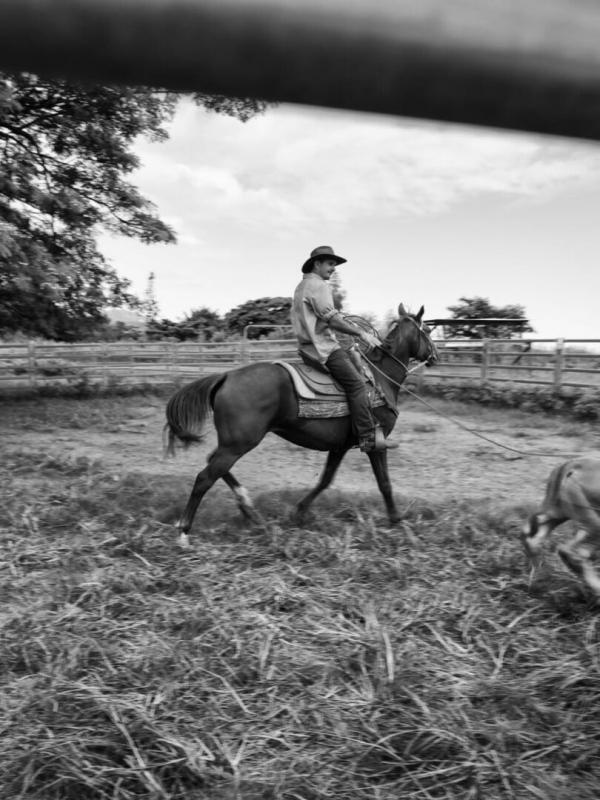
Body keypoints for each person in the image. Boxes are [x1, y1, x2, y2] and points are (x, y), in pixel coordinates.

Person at [291, 245, 397, 453]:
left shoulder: (301, 286)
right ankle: (367, 437)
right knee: (357, 384)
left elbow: (321, 318)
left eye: (335, 265)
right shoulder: (319, 285)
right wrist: (361, 333)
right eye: (330, 263)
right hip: (323, 349)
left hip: (306, 349)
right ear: (317, 263)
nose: (333, 268)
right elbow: (331, 319)